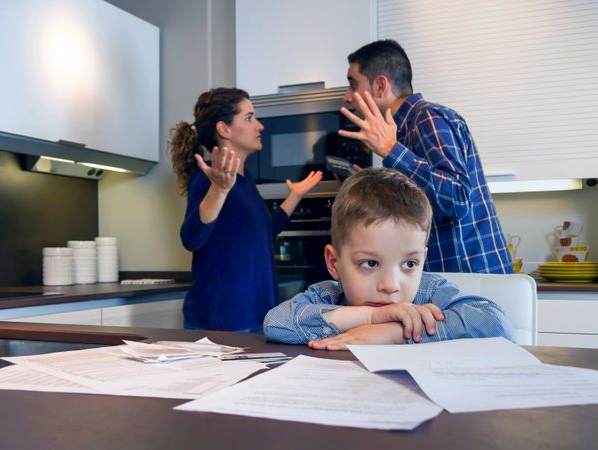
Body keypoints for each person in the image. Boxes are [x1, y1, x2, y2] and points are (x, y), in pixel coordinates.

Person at [263, 167, 515, 349]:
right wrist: (371, 318)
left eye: (409, 264)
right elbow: (275, 323)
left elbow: (496, 323)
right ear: (334, 263)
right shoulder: (328, 294)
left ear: (423, 261)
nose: (390, 285)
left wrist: (395, 333)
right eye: (370, 263)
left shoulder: (429, 292)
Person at [338, 39, 512, 274]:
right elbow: (421, 207)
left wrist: (392, 151)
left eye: (353, 84)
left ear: (380, 86)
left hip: (471, 279)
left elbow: (458, 199)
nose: (347, 96)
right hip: (448, 279)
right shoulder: (400, 131)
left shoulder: (426, 118)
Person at [169, 87, 323, 332]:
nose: (259, 126)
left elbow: (261, 232)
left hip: (255, 315)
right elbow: (191, 237)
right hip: (223, 321)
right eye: (249, 118)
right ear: (224, 129)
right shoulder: (208, 178)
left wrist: (295, 196)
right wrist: (219, 189)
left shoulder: (245, 180)